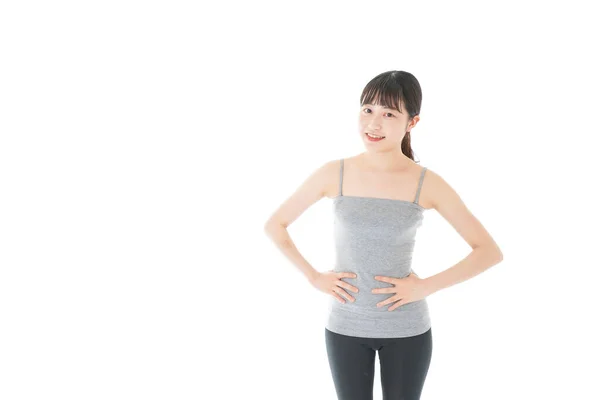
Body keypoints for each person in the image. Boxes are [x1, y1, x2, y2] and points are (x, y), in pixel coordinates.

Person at [264, 70, 503, 400]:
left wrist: (424, 287)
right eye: (368, 110)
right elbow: (275, 225)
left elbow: (488, 251)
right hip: (345, 325)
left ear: (412, 122)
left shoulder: (426, 182)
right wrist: (314, 277)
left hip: (407, 329)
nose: (373, 124)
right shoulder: (336, 173)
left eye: (389, 113)